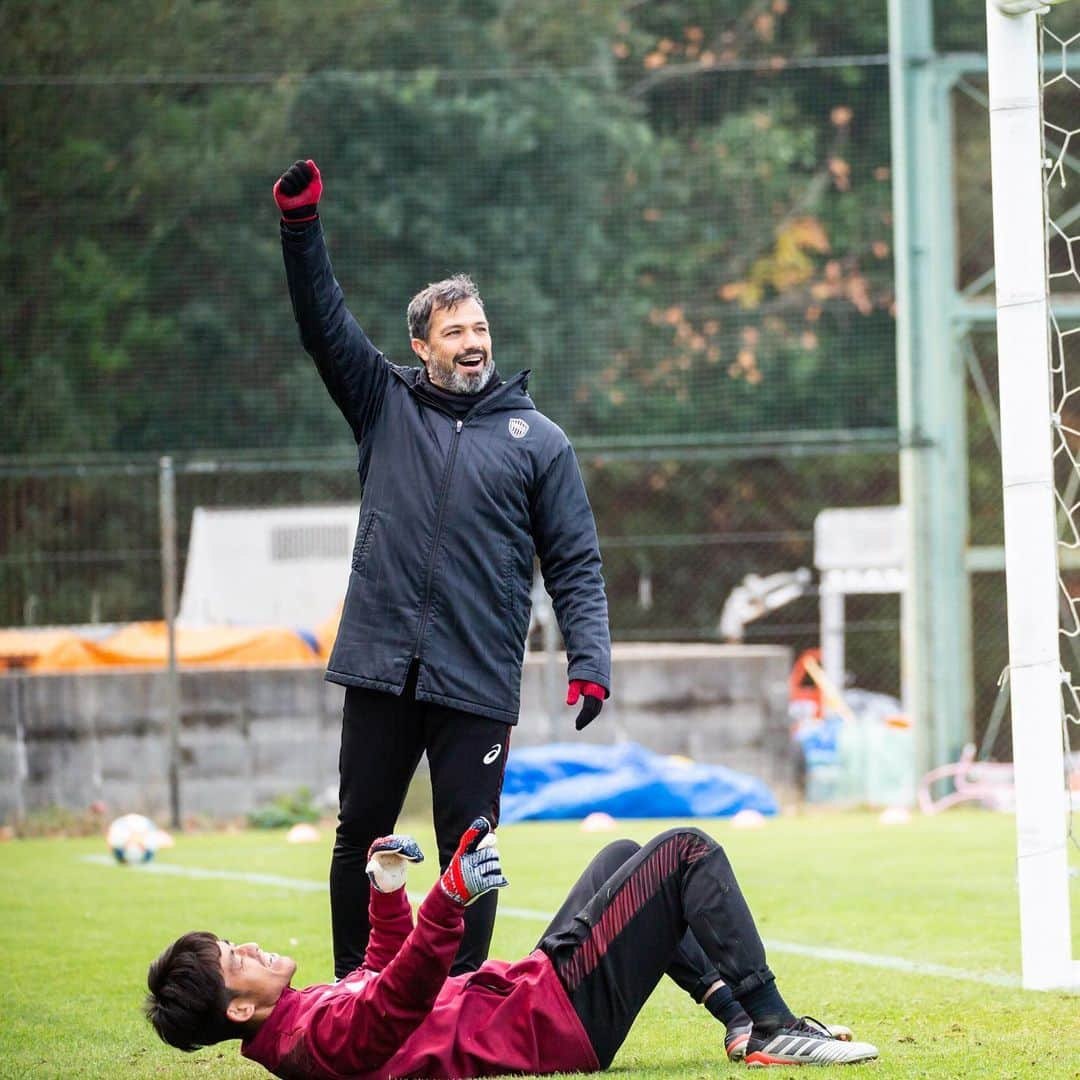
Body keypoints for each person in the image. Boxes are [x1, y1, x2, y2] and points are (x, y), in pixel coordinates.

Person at [272, 159, 612, 979]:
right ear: (421, 345)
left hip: (476, 678)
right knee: (360, 832)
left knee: (474, 845)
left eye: (481, 329)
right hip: (382, 666)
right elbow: (324, 322)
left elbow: (574, 561)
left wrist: (590, 662)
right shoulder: (380, 402)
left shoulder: (541, 441)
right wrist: (301, 228)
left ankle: (458, 997)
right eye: (454, 332)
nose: (473, 343)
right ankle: (355, 987)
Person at [145, 819, 878, 1075]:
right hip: (553, 1021)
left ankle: (734, 1015)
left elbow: (377, 974)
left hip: (531, 992)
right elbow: (396, 1002)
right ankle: (773, 1025)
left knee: (623, 853)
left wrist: (387, 889)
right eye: (238, 958)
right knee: (684, 853)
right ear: (240, 1009)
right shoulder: (312, 1041)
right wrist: (448, 898)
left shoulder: (302, 1018)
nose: (253, 948)